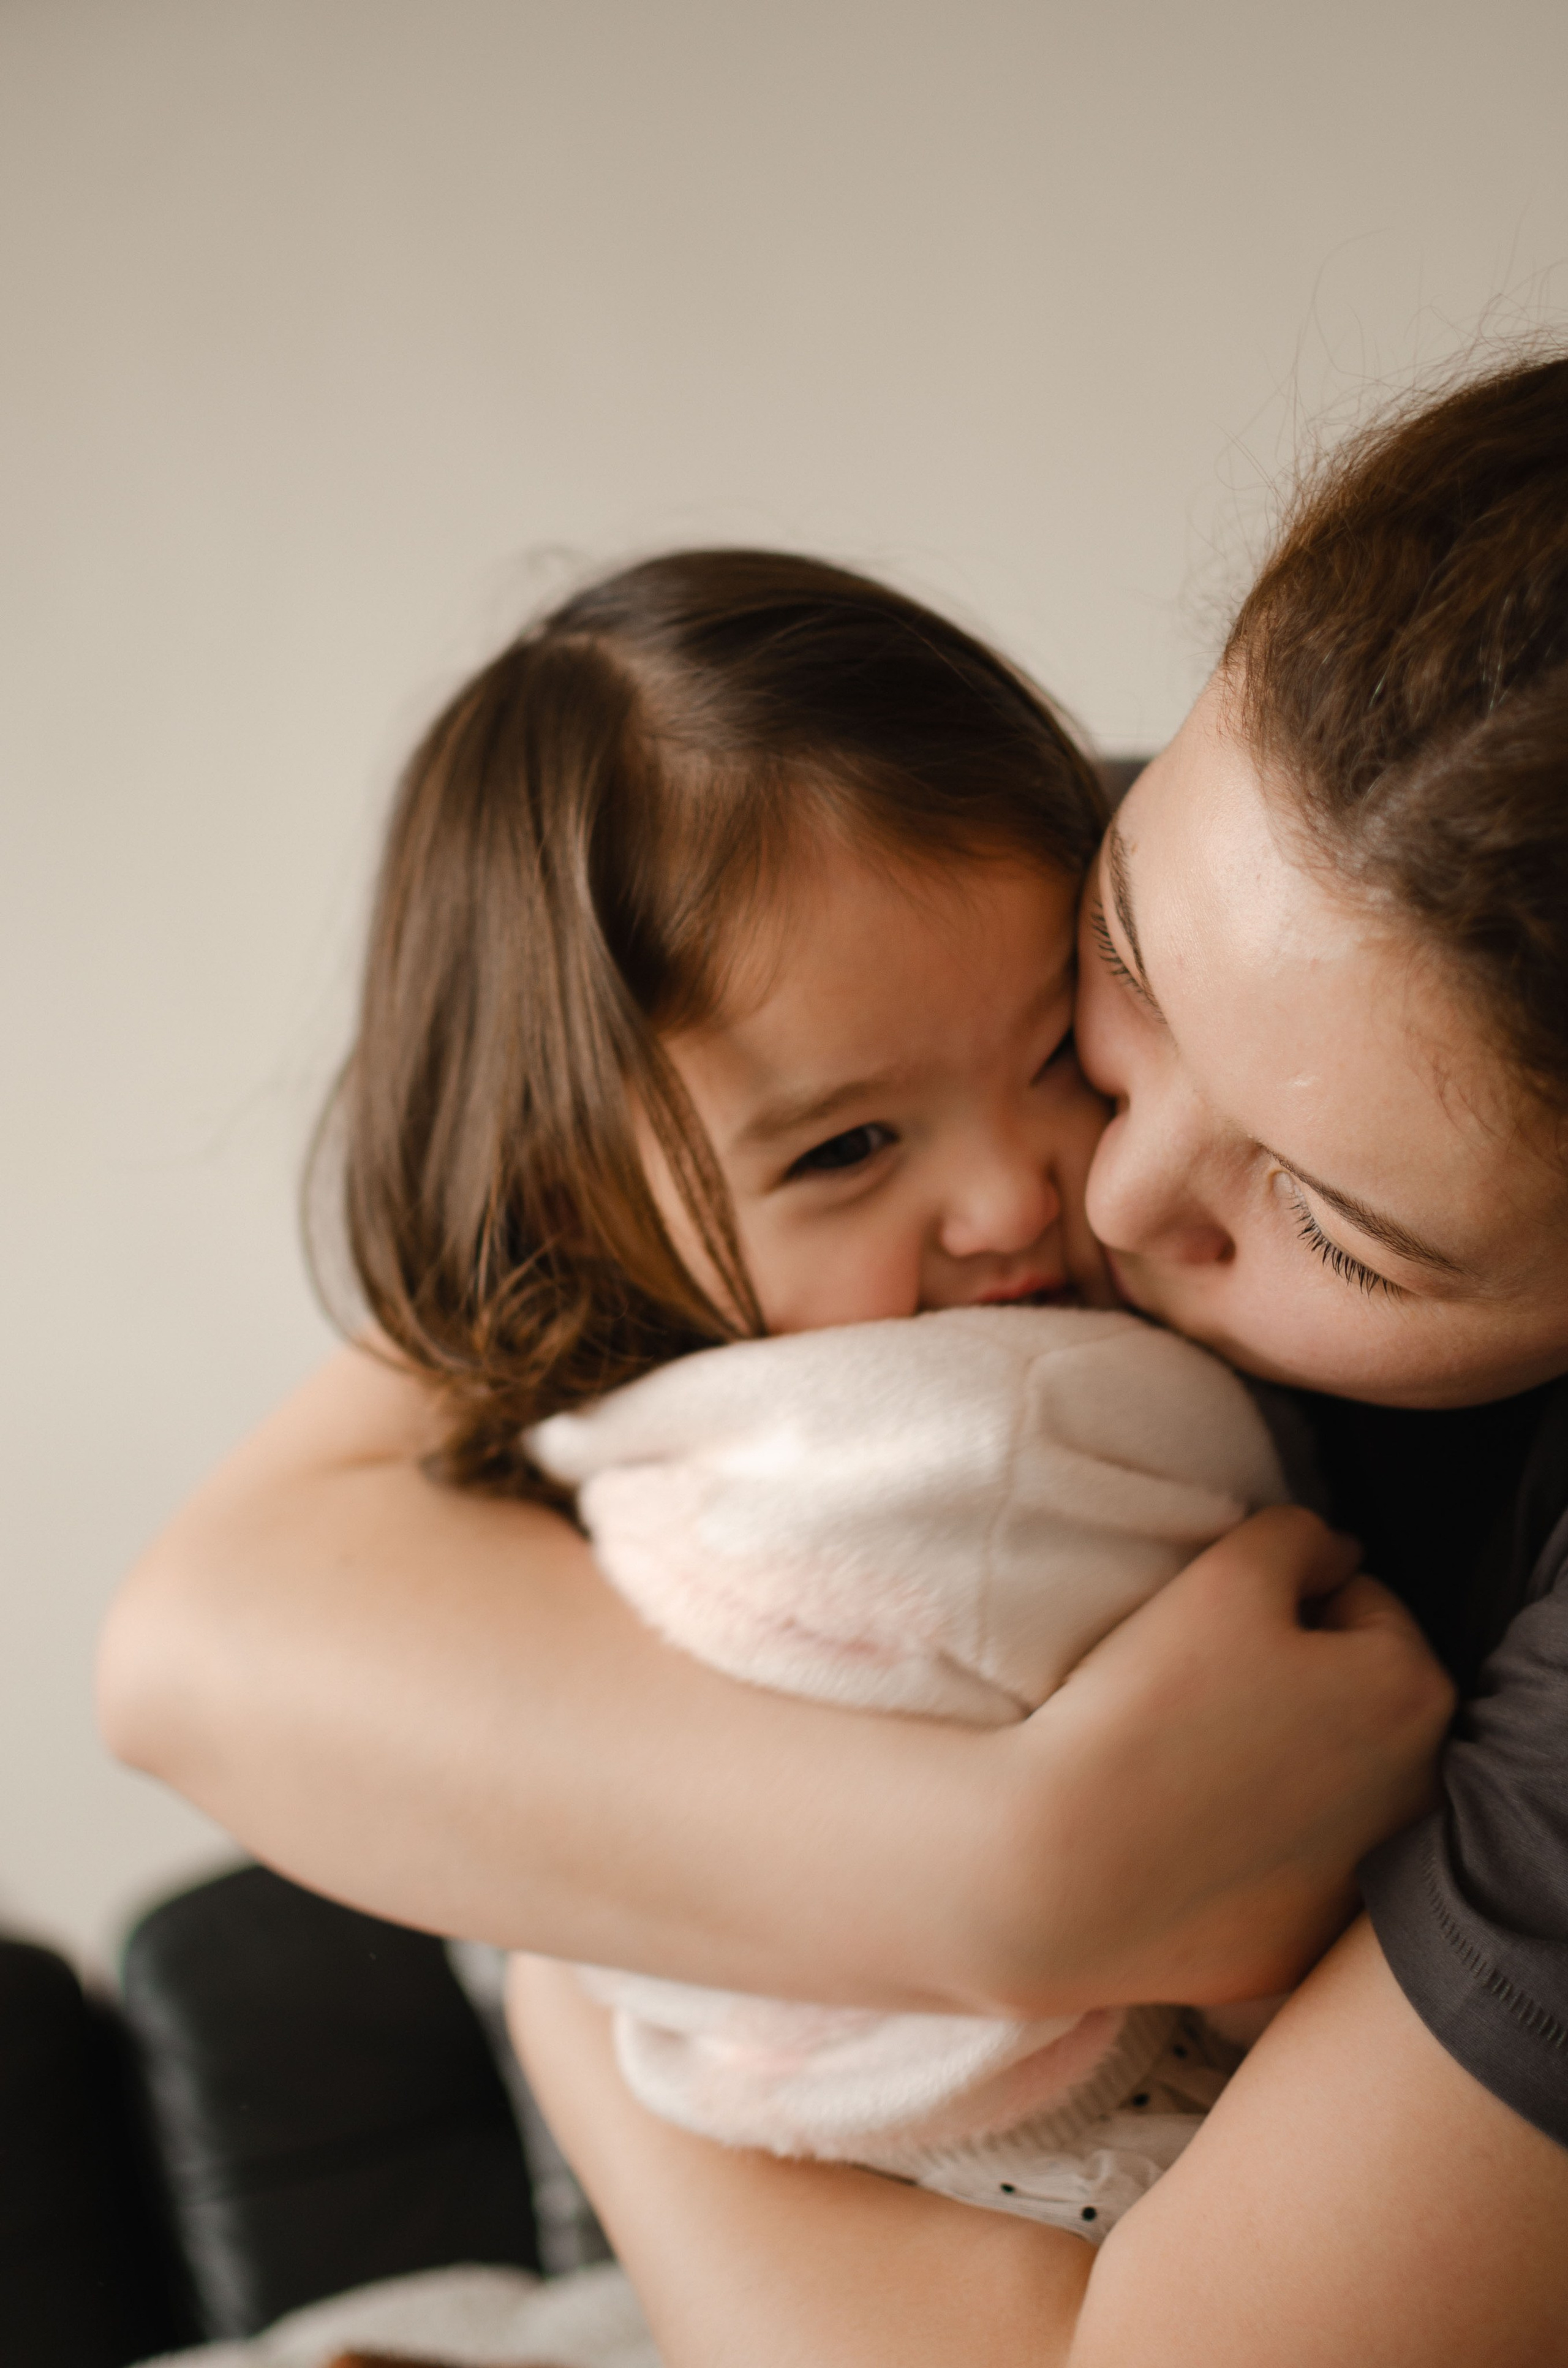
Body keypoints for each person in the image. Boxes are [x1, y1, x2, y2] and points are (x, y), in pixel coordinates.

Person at [98, 350, 1568, 2363]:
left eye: (1328, 1217)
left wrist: (590, 1967)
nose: (1099, 1195)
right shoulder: (1230, 869)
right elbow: (201, 1635)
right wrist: (1003, 1876)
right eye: (1117, 978)